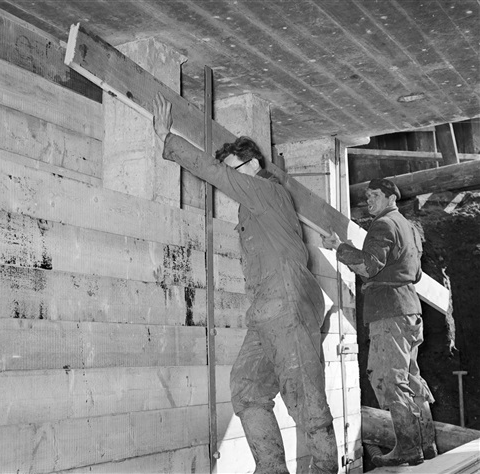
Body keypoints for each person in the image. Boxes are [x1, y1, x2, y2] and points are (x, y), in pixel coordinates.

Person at [152, 92, 338, 474]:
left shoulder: (267, 190)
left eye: (235, 169)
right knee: (248, 386)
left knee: (303, 392)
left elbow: (217, 174)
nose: (231, 178)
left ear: (252, 164)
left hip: (286, 298)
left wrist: (168, 141)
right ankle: (271, 468)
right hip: (268, 307)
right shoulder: (254, 207)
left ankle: (322, 469)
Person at [322, 178, 437, 467]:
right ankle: (426, 443)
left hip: (389, 312)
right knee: (411, 378)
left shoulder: (383, 225)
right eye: (367, 195)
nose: (368, 200)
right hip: (409, 310)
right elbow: (417, 273)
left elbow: (369, 265)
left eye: (373, 195)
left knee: (390, 380)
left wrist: (340, 248)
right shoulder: (408, 227)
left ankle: (408, 448)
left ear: (389, 197)